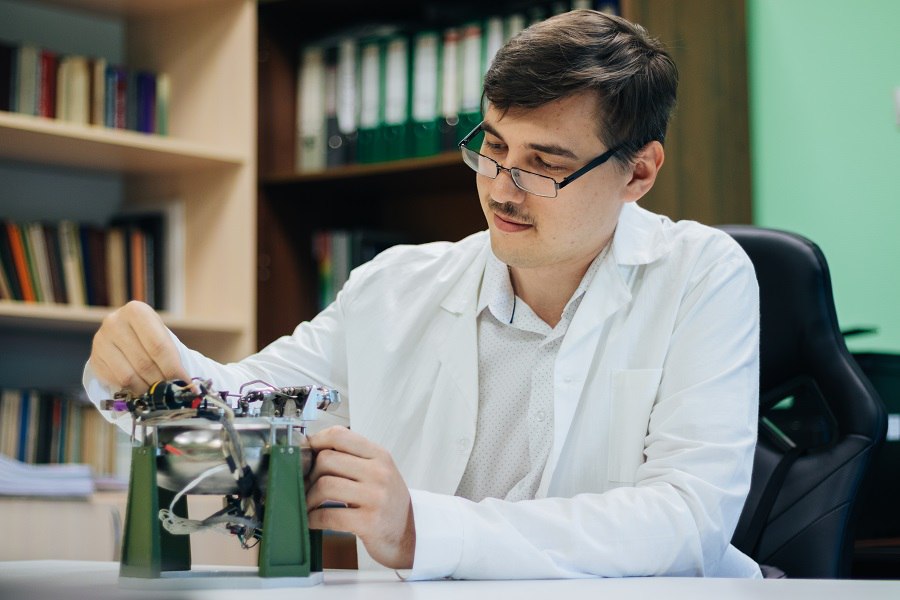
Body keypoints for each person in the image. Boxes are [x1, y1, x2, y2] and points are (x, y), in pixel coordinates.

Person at [83, 9, 761, 580]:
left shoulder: (702, 276)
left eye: (543, 165)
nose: (500, 188)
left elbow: (686, 519)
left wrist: (421, 529)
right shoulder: (395, 287)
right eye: (492, 148)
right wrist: (146, 373)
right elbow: (247, 413)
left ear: (639, 172)